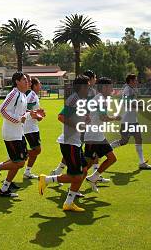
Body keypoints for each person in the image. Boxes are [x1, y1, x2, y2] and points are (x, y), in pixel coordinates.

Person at [0, 72, 43, 198]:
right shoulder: (14, 94)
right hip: (11, 133)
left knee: (19, 160)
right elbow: (2, 109)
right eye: (24, 80)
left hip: (18, 132)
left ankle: (4, 188)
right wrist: (18, 119)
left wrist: (32, 113)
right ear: (17, 82)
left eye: (28, 80)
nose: (27, 82)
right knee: (19, 162)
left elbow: (21, 112)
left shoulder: (23, 95)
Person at [38, 75, 90, 212]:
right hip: (69, 142)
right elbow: (61, 117)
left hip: (76, 142)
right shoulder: (73, 99)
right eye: (88, 85)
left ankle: (68, 202)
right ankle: (47, 180)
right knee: (77, 176)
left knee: (84, 171)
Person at [109, 74, 151, 170]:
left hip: (132, 119)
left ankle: (141, 162)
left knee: (132, 139)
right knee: (129, 140)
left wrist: (138, 104)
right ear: (130, 81)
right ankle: (105, 150)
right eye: (135, 80)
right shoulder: (128, 90)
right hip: (128, 119)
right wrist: (139, 106)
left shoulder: (131, 89)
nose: (137, 82)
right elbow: (127, 103)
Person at [83, 77, 117, 192]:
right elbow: (104, 117)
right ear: (103, 87)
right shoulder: (100, 99)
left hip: (99, 136)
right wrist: (115, 118)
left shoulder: (101, 98)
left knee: (112, 158)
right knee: (86, 166)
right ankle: (57, 181)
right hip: (93, 137)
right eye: (110, 87)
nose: (112, 89)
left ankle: (94, 177)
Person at [23, 77, 46, 179]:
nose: (40, 86)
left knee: (35, 150)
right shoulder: (32, 95)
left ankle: (27, 172)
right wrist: (36, 115)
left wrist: (40, 114)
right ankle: (20, 154)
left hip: (33, 126)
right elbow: (24, 108)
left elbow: (33, 111)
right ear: (35, 85)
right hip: (29, 127)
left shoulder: (34, 95)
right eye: (39, 84)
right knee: (37, 150)